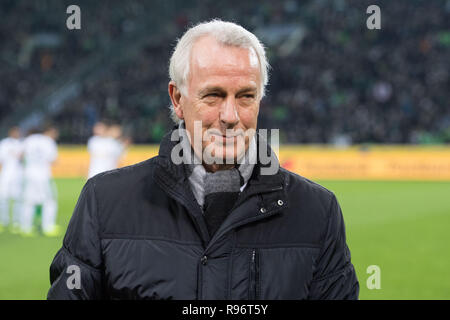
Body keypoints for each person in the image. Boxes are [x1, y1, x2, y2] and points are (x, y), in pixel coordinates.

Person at [48, 20, 359, 299]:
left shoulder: (318, 211)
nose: (230, 116)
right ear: (177, 99)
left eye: (246, 96)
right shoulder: (104, 201)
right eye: (213, 95)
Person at [21, 125, 59, 237]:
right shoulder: (48, 141)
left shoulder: (28, 140)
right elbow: (53, 159)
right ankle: (48, 227)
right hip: (43, 175)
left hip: (29, 174)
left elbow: (21, 156)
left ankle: (26, 228)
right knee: (49, 201)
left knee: (28, 201)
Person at [0, 127, 24, 233]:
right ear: (10, 132)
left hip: (18, 175)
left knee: (17, 199)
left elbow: (24, 159)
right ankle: (3, 221)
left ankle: (16, 221)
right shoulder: (4, 143)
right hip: (5, 174)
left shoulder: (22, 144)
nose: (17, 133)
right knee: (3, 198)